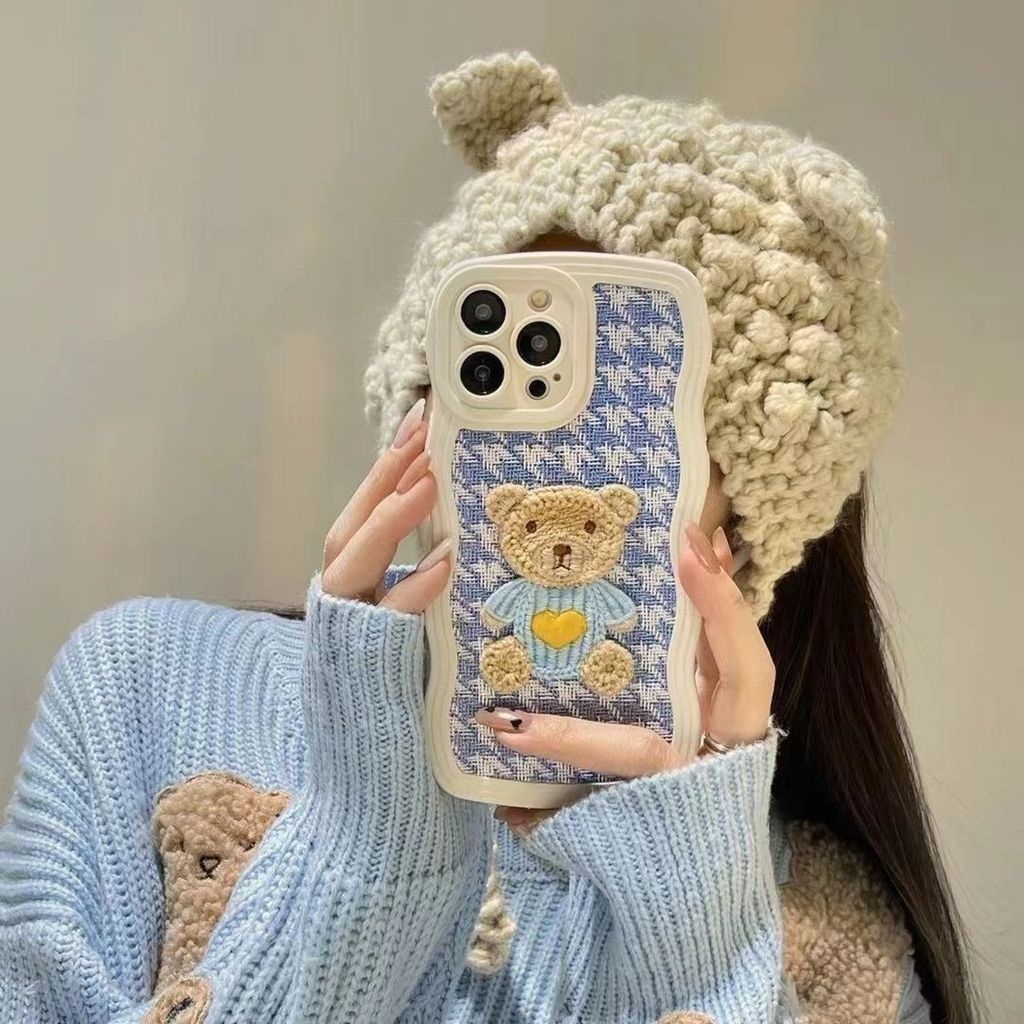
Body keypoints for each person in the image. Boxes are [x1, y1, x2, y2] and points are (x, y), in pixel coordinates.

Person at [0, 51, 976, 1024]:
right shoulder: (150, 685)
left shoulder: (831, 941)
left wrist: (692, 911)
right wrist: (371, 837)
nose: (554, 462)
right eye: (498, 364)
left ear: (750, 512)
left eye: (625, 415)